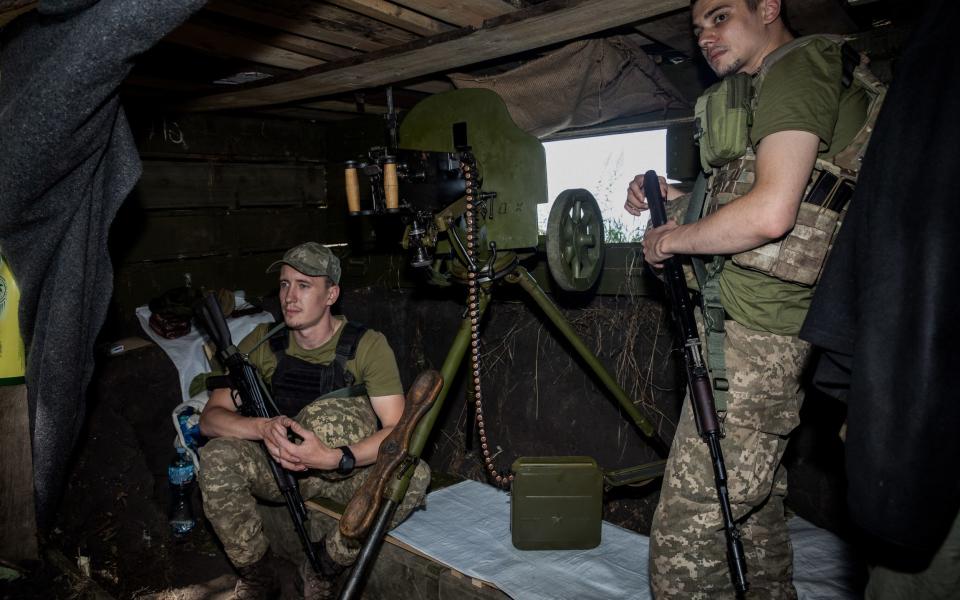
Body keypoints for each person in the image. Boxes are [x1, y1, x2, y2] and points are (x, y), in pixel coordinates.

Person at [625, 0, 873, 597]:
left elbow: (770, 213)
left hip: (760, 336)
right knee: (752, 512)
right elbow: (787, 191)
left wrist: (669, 239)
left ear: (768, 7)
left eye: (719, 16)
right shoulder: (762, 84)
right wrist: (678, 196)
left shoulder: (796, 67)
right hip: (741, 322)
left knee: (687, 539)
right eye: (697, 29)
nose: (706, 37)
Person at [197, 241, 431, 600]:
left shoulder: (367, 345)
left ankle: (326, 562)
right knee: (216, 456)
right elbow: (210, 419)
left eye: (304, 286)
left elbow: (398, 432)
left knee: (413, 474)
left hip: (344, 473)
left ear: (331, 294)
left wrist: (337, 457)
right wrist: (261, 428)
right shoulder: (262, 343)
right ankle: (260, 573)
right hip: (280, 468)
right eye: (285, 284)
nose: (290, 296)